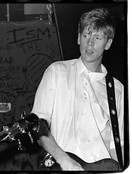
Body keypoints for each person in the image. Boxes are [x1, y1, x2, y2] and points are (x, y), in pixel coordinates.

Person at [31, 8, 124, 171]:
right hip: (61, 165)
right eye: (86, 35)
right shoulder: (57, 72)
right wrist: (64, 160)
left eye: (97, 37)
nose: (90, 43)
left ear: (108, 43)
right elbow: (37, 126)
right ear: (78, 38)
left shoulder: (117, 90)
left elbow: (117, 146)